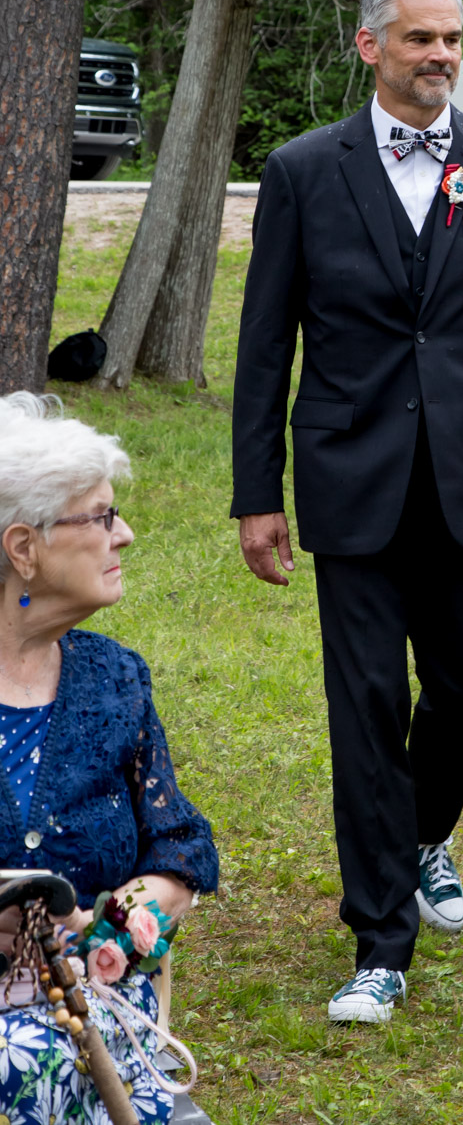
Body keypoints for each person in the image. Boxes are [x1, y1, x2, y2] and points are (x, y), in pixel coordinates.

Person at [231, 0, 463, 1023]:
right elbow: (263, 341)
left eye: (452, 38)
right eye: (419, 39)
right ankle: (380, 941)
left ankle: (422, 835)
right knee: (366, 705)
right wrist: (256, 492)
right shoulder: (302, 171)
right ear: (371, 47)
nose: (441, 57)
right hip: (350, 478)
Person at [0, 393, 218, 1123]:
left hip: (99, 1044)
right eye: (98, 517)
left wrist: (121, 923)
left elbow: (179, 846)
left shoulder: (113, 681)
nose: (123, 535)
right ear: (24, 548)